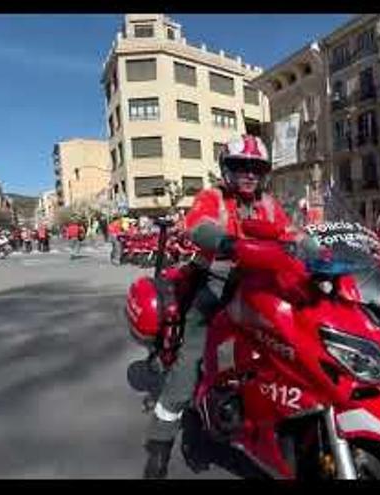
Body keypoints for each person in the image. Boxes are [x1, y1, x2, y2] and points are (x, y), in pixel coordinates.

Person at [142, 134, 309, 479]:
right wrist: (224, 241)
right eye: (240, 166)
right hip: (216, 283)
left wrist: (317, 246)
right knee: (191, 361)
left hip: (260, 285)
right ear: (226, 169)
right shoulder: (212, 196)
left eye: (255, 168)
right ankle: (158, 449)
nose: (248, 174)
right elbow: (198, 226)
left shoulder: (267, 202)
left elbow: (292, 233)